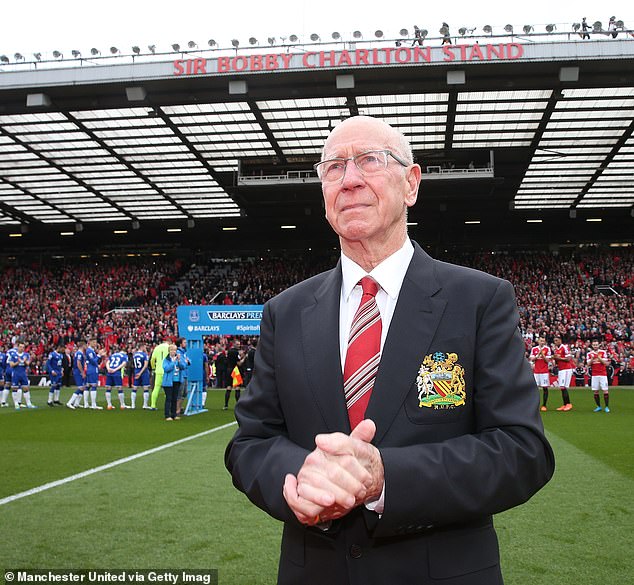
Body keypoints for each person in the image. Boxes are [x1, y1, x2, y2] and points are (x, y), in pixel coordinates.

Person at [225, 116, 554, 585]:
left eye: (369, 161)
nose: (350, 178)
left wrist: (385, 479)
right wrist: (303, 479)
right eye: (334, 167)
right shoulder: (286, 311)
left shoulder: (479, 300)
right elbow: (250, 443)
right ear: (323, 194)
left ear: (411, 183)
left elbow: (523, 451)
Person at [162, 343, 185, 421]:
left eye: (175, 350)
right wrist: (173, 362)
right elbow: (166, 369)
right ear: (169, 351)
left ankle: (174, 414)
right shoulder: (166, 360)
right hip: (168, 382)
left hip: (177, 380)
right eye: (172, 350)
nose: (173, 352)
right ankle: (167, 415)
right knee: (169, 398)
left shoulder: (178, 358)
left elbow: (183, 366)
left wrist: (179, 361)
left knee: (175, 398)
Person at [9, 342, 35, 409]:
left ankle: (29, 403)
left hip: (23, 373)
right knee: (15, 388)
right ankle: (16, 404)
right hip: (16, 373)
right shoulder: (13, 355)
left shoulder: (26, 355)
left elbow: (28, 364)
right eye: (20, 347)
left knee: (26, 388)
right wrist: (18, 362)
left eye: (23, 347)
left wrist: (24, 361)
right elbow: (11, 365)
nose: (22, 348)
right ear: (18, 347)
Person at [586, 339, 610, 412]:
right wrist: (593, 358)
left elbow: (606, 363)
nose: (595, 346)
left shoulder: (603, 352)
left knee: (605, 391)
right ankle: (598, 406)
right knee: (595, 391)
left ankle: (606, 407)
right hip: (594, 375)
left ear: (599, 345)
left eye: (596, 345)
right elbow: (588, 364)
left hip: (603, 374)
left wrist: (599, 358)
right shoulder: (589, 354)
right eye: (594, 345)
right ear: (592, 345)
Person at [529, 336, 552, 411]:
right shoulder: (534, 349)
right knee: (535, 389)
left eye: (543, 341)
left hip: (544, 371)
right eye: (541, 341)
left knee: (545, 388)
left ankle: (544, 405)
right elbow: (532, 359)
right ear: (538, 341)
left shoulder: (547, 349)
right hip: (536, 371)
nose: (542, 342)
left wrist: (543, 354)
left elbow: (547, 360)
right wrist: (538, 354)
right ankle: (535, 405)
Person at [104, 346, 129, 410]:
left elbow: (107, 362)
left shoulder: (113, 355)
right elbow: (123, 364)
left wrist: (108, 369)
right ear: (125, 352)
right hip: (116, 373)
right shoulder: (124, 356)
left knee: (108, 388)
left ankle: (109, 405)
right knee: (119, 388)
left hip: (109, 372)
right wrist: (115, 369)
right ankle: (122, 405)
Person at [552, 336, 573, 411]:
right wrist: (554, 359)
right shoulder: (556, 349)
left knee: (563, 387)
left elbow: (568, 359)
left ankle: (568, 404)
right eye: (554, 340)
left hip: (566, 369)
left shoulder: (564, 347)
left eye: (556, 340)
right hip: (561, 369)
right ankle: (565, 404)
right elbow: (558, 360)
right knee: (561, 387)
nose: (555, 342)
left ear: (560, 340)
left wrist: (559, 358)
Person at [149, 337, 171, 410]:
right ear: (169, 342)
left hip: (158, 371)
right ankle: (169, 405)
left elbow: (152, 359)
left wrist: (153, 368)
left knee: (156, 388)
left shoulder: (157, 348)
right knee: (168, 388)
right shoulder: (169, 347)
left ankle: (153, 405)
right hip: (167, 371)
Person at [66, 341, 87, 410]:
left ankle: (76, 403)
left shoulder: (80, 353)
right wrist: (82, 372)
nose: (86, 346)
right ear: (82, 346)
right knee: (81, 387)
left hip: (79, 371)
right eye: (85, 345)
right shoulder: (79, 353)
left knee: (83, 387)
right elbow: (78, 363)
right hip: (78, 371)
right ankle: (69, 402)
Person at [85, 338, 105, 410]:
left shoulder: (91, 351)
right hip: (92, 370)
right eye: (94, 342)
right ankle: (93, 404)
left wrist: (98, 365)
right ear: (90, 343)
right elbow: (93, 361)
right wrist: (99, 355)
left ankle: (86, 403)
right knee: (94, 385)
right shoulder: (89, 351)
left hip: (91, 369)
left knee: (87, 386)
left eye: (95, 342)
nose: (95, 344)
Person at [132, 342, 151, 409]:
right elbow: (145, 365)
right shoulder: (144, 355)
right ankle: (145, 405)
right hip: (143, 372)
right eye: (144, 347)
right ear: (142, 347)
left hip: (136, 370)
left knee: (135, 388)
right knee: (145, 388)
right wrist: (140, 373)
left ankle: (133, 405)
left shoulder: (135, 355)